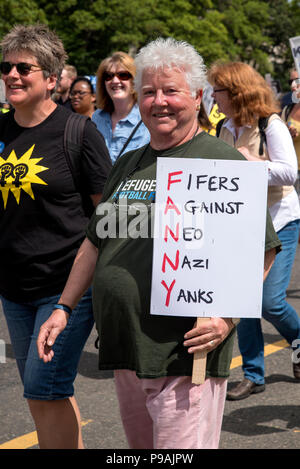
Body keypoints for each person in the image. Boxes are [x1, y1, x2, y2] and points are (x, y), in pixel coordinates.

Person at [37, 38, 280, 450]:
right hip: (128, 349)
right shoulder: (129, 164)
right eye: (149, 92)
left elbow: (263, 249)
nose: (159, 101)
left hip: (185, 354)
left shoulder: (221, 162)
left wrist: (225, 319)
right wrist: (63, 307)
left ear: (197, 96)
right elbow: (95, 244)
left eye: (171, 91)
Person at [0, 24, 112, 448]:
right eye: (6, 66)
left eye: (23, 67)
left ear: (51, 78)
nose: (11, 74)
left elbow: (108, 216)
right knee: (43, 392)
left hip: (67, 287)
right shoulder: (1, 131)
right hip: (14, 288)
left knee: (43, 388)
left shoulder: (78, 133)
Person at [208, 61, 300, 400]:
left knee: (270, 302)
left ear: (235, 92)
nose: (213, 98)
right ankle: (253, 374)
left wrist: (251, 164)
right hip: (241, 226)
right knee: (243, 302)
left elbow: (290, 173)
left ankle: (299, 339)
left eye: (217, 91)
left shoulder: (270, 123)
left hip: (279, 221)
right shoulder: (221, 128)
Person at [92, 51, 150, 164]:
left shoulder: (146, 118)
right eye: (108, 76)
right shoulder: (97, 117)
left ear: (135, 80)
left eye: (123, 75)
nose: (115, 81)